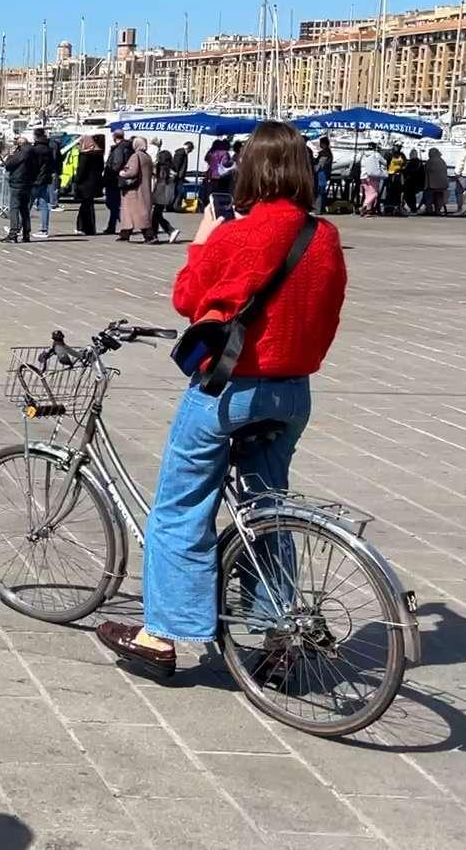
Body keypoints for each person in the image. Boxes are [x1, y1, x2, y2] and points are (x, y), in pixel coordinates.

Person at [96, 121, 346, 679]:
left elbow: (187, 298)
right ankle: (280, 631)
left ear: (249, 171)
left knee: (183, 507)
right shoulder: (322, 236)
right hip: (293, 392)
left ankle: (163, 633)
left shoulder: (238, 235)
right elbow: (328, 314)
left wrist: (203, 242)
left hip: (230, 390)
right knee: (269, 511)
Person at [114, 137, 158, 244]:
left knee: (135, 213)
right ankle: (125, 233)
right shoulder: (147, 157)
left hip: (134, 191)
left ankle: (149, 235)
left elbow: (132, 172)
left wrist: (122, 173)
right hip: (145, 189)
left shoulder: (135, 156)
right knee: (138, 213)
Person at [1, 136, 35, 244]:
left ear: (20, 144)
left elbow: (9, 165)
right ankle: (26, 234)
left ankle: (13, 234)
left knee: (14, 208)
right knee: (25, 209)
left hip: (17, 183)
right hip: (28, 183)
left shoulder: (21, 153)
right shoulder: (33, 153)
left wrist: (11, 155)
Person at [72, 134, 104, 236]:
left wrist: (76, 180)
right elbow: (101, 168)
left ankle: (83, 227)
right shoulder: (99, 153)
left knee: (85, 207)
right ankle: (90, 228)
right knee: (89, 206)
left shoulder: (84, 155)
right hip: (94, 183)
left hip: (85, 184)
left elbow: (81, 171)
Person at [29, 129, 57, 238]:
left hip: (35, 180)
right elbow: (52, 164)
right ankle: (44, 229)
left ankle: (19, 226)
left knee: (27, 204)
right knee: (44, 205)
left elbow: (31, 165)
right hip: (45, 179)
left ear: (35, 136)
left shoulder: (35, 150)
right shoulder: (49, 149)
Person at [102, 132, 132, 234]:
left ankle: (118, 225)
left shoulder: (119, 148)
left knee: (112, 204)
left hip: (114, 180)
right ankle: (114, 225)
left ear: (114, 137)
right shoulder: (127, 147)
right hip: (119, 180)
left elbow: (117, 163)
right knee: (116, 204)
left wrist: (111, 170)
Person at [424, 148, 449, 216]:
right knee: (439, 196)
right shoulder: (442, 161)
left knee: (428, 194)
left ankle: (429, 209)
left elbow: (425, 171)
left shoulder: (430, 161)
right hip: (442, 185)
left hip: (432, 185)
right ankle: (438, 210)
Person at [311, 137, 333, 209]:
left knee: (320, 191)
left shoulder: (325, 153)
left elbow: (320, 165)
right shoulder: (326, 152)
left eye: (320, 143)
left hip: (322, 174)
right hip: (324, 173)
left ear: (323, 144)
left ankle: (318, 208)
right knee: (320, 190)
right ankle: (320, 207)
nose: (320, 144)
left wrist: (313, 169)